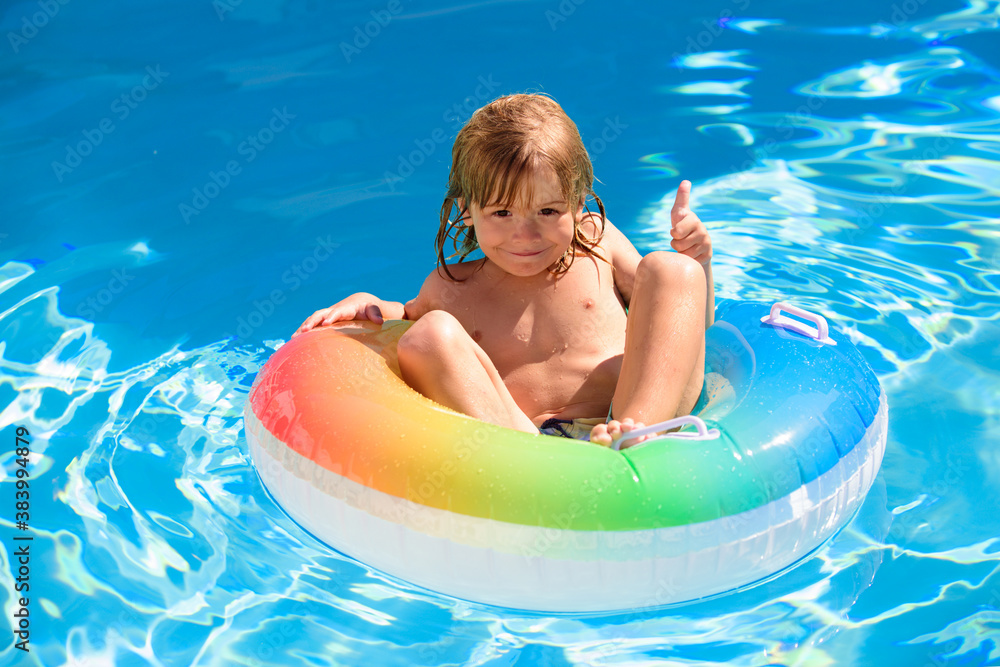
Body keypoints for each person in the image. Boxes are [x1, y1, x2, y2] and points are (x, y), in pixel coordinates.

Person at [295, 93, 713, 447]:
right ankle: (529, 463)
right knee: (428, 335)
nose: (525, 235)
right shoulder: (453, 287)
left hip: (626, 416)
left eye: (548, 210)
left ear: (579, 201)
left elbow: (684, 323)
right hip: (520, 439)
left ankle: (637, 437)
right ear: (467, 210)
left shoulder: (597, 242)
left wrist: (700, 260)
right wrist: (371, 306)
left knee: (672, 269)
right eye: (502, 212)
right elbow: (405, 320)